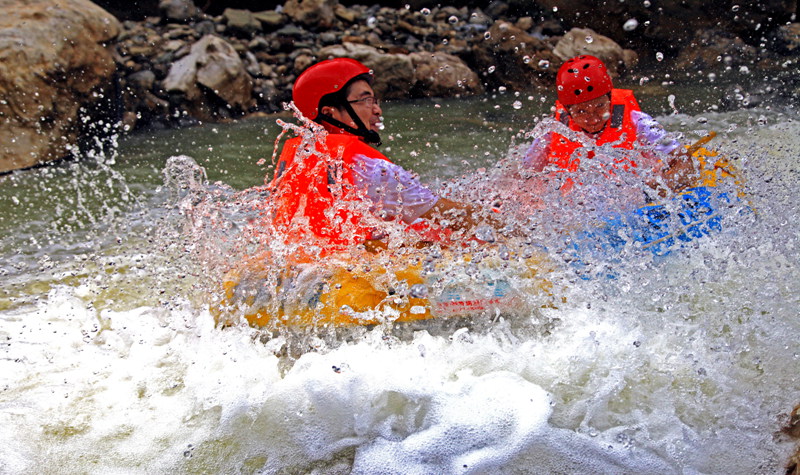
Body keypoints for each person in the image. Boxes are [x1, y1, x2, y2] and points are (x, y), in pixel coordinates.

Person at [268, 58, 485, 253]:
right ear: (329, 113)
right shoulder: (370, 168)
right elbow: (457, 217)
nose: (377, 110)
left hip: (299, 270)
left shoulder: (296, 159)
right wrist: (502, 229)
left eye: (375, 101)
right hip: (350, 279)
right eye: (365, 101)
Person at [523, 55, 697, 195]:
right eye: (581, 112)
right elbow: (526, 175)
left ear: (610, 99)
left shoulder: (639, 123)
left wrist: (659, 187)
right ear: (568, 111)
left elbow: (684, 160)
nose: (593, 119)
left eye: (600, 106)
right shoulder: (553, 130)